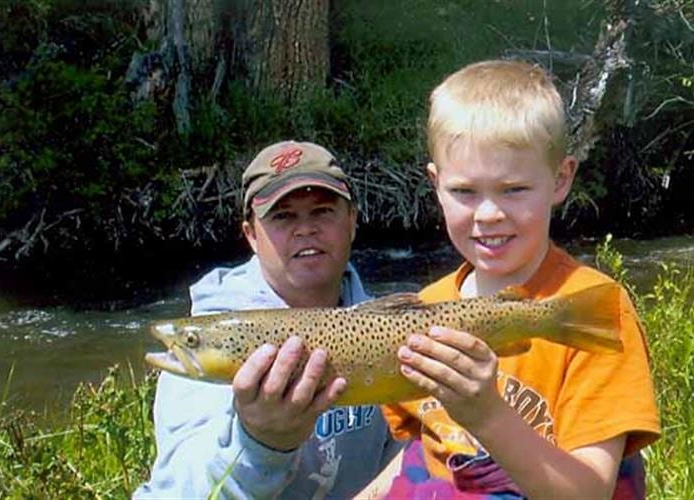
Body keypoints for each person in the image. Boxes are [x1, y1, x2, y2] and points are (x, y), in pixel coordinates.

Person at [379, 60, 661, 499]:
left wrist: (487, 415)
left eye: (513, 190)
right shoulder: (423, 308)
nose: (489, 214)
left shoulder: (590, 308)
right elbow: (425, 449)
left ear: (561, 180)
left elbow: (589, 493)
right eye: (464, 191)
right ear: (436, 184)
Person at [134, 141, 402, 499]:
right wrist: (261, 443)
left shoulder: (391, 327)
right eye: (283, 216)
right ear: (251, 235)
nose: (305, 228)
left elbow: (414, 455)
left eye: (322, 211)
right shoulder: (213, 337)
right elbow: (175, 493)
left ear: (352, 221)